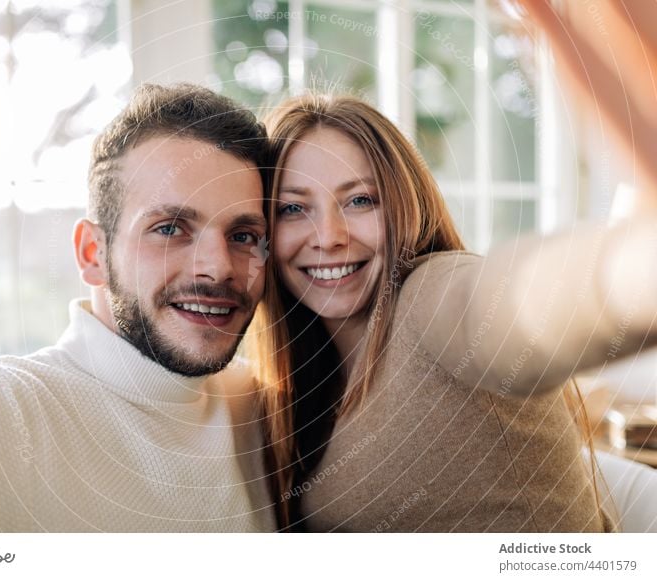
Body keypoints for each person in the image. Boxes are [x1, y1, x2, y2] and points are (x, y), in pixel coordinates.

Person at [251, 28, 657, 529]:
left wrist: (632, 267)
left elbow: (521, 303)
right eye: (293, 208)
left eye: (360, 200)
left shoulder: (431, 298)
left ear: (404, 205)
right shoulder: (303, 383)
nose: (328, 236)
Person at [0, 83, 275, 532]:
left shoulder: (257, 407)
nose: (218, 267)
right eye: (170, 228)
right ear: (92, 253)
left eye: (243, 236)